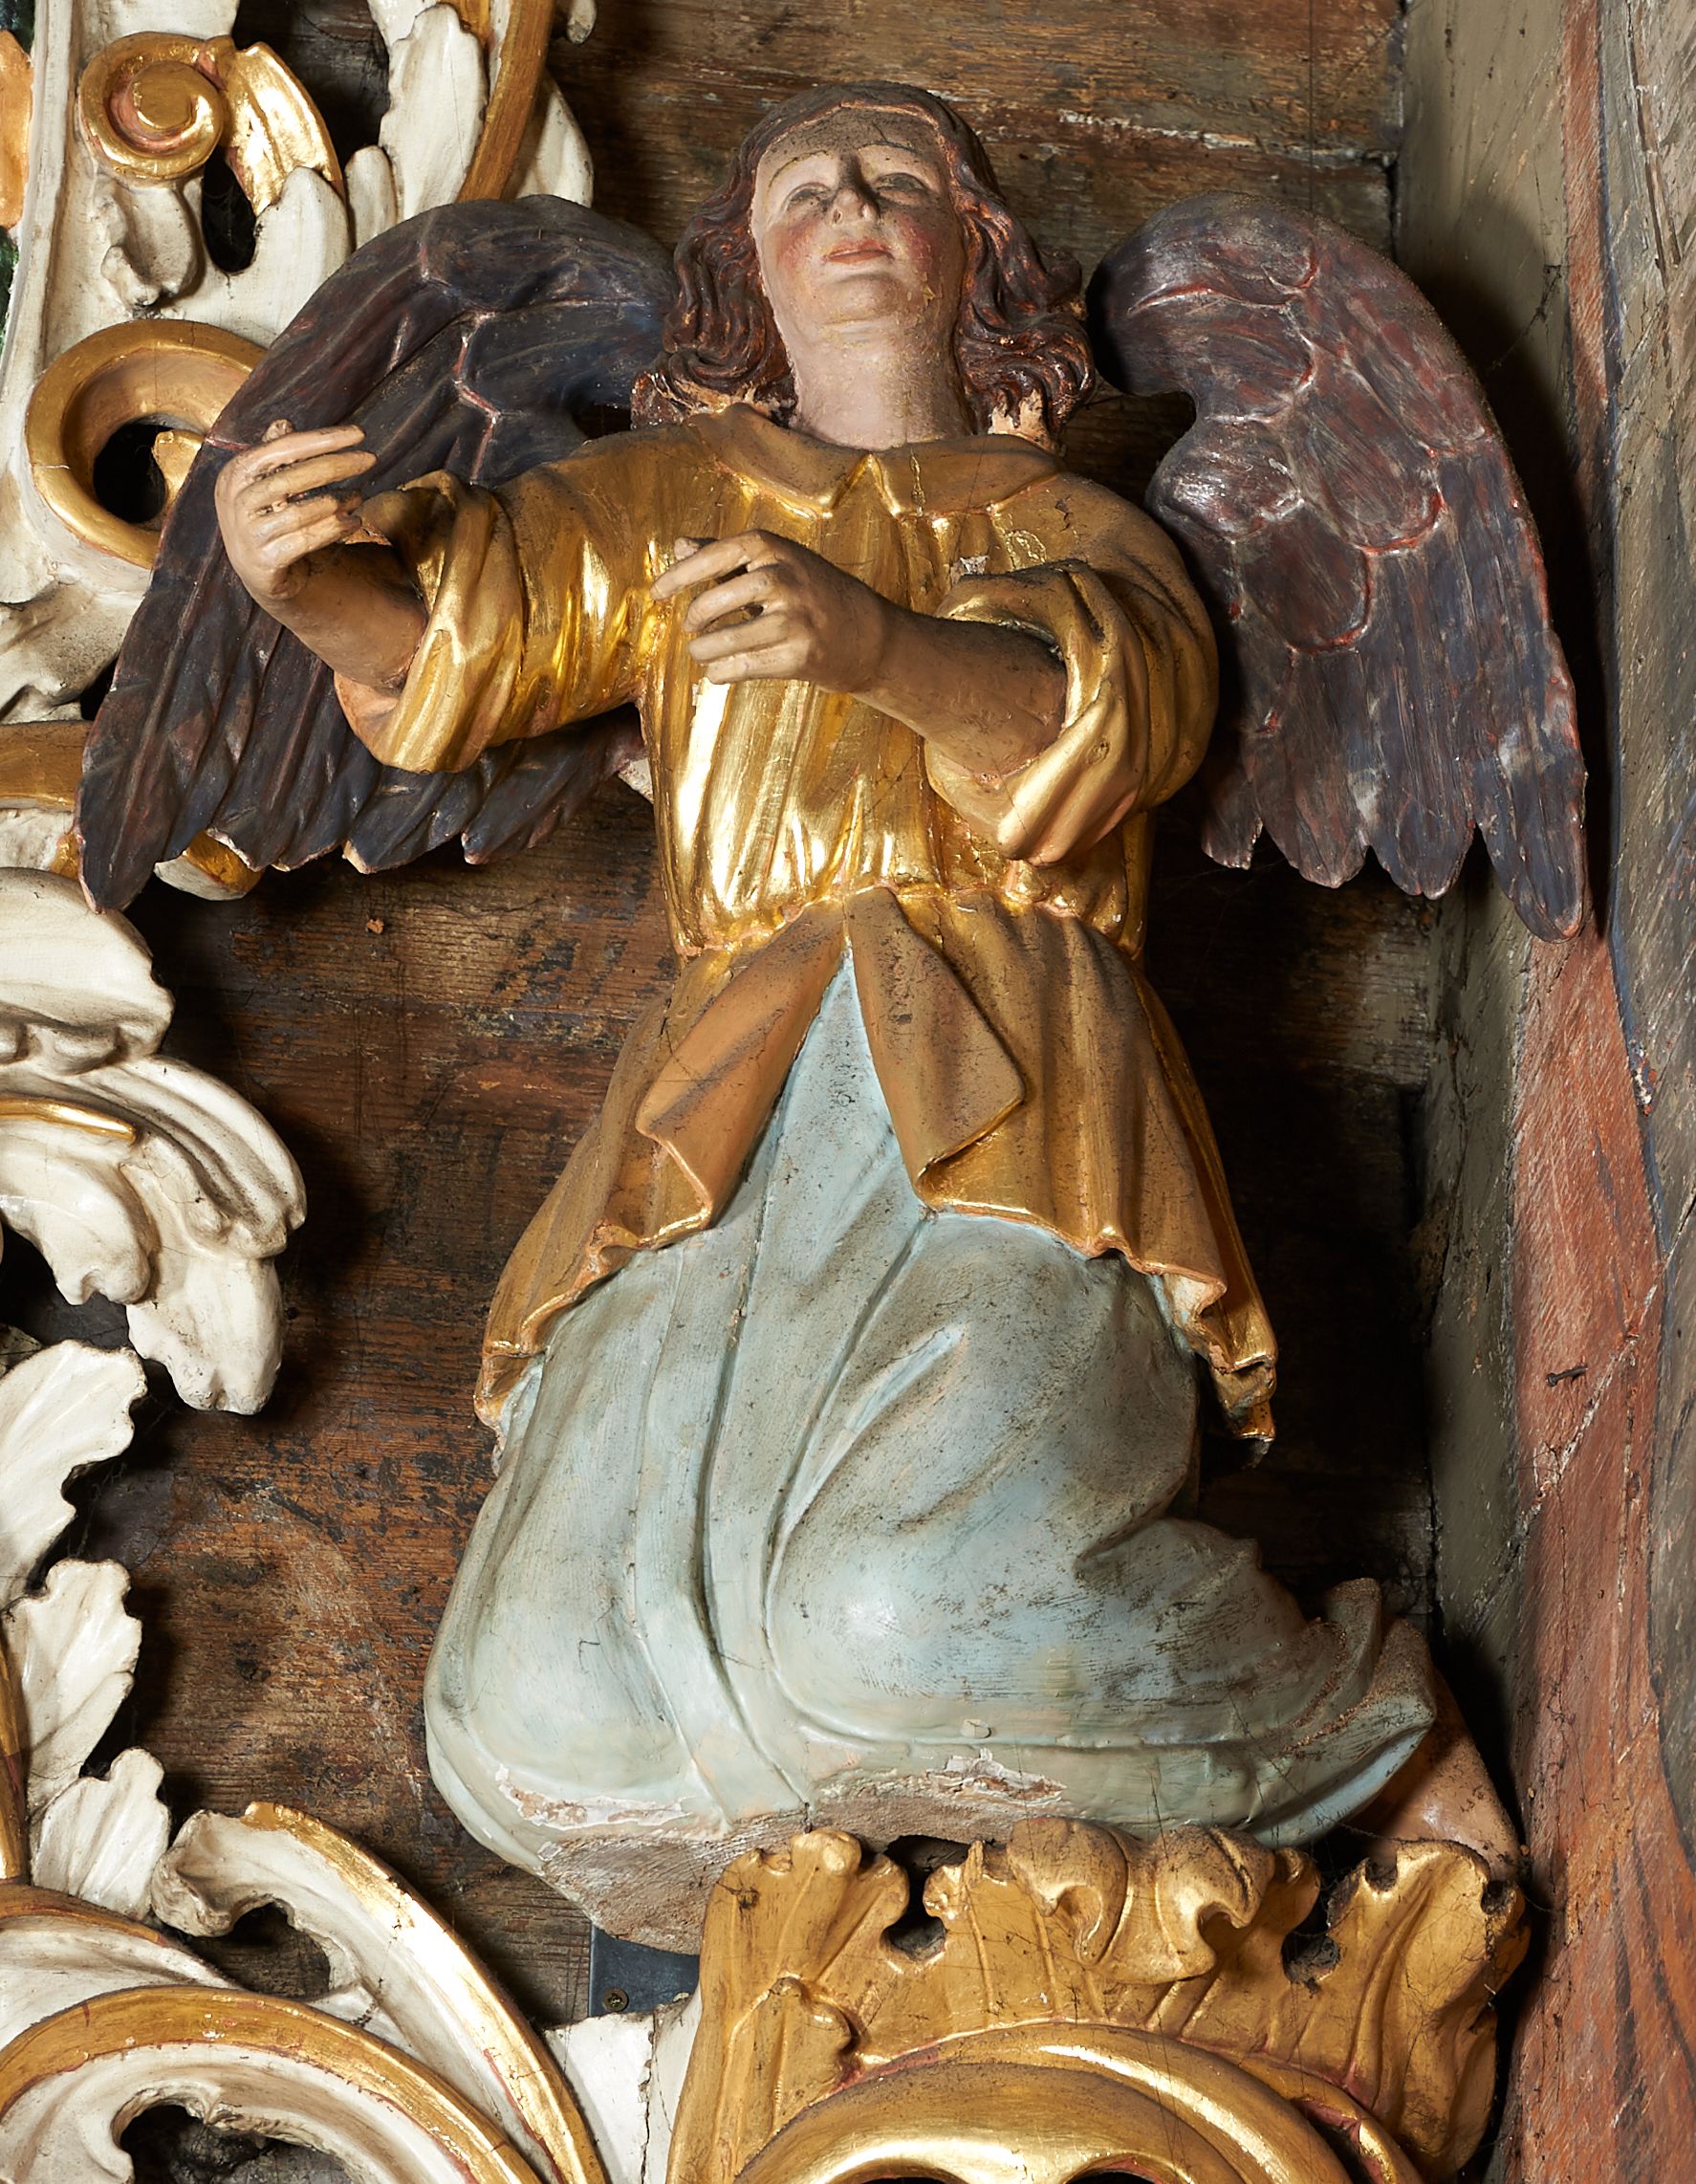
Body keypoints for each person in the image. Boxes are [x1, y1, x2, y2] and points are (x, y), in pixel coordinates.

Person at [211, 81, 1512, 1944]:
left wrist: (874, 646)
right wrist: (313, 583)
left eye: (894, 176)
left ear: (974, 249)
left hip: (1002, 1064)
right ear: (745, 267)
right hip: (717, 1111)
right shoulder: (667, 505)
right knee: (536, 1710)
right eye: (797, 184)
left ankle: (1353, 1726)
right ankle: (855, 1920)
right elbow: (469, 637)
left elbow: (1104, 725)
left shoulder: (1070, 520)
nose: (841, 200)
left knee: (908, 1611)